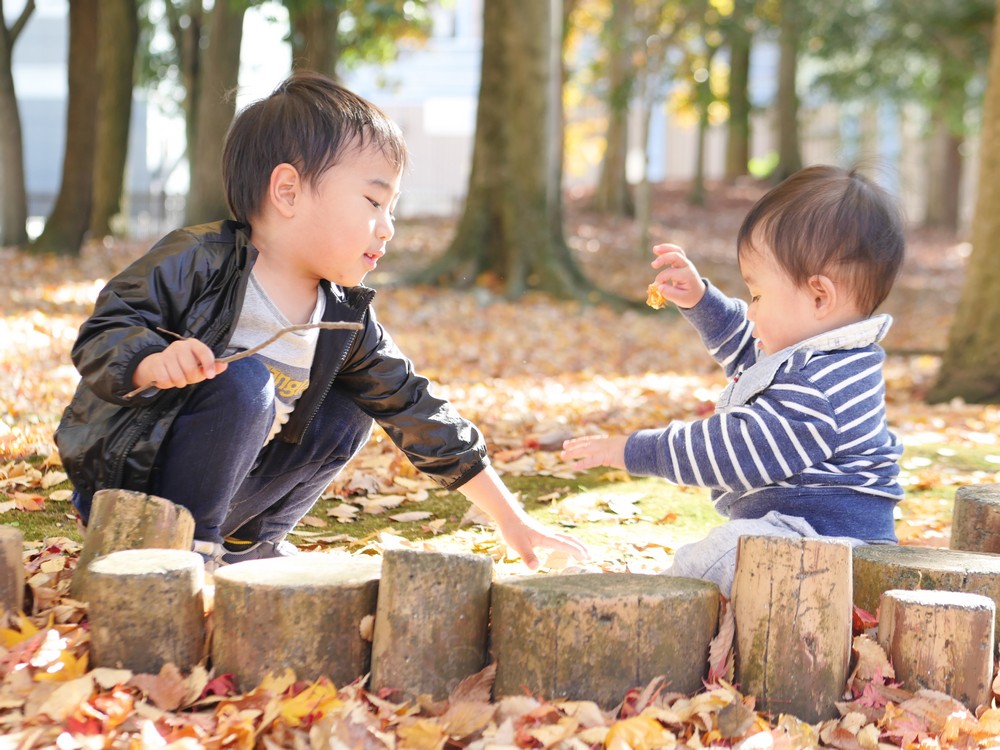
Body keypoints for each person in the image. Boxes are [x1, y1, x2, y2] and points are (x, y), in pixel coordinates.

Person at [56, 71, 587, 570]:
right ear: (287, 191)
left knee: (353, 401)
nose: (387, 229)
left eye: (392, 209)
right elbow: (104, 334)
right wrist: (151, 361)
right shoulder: (198, 259)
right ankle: (189, 557)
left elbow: (415, 408)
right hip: (137, 487)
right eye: (373, 201)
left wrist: (512, 522)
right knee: (244, 380)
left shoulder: (341, 317)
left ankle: (250, 543)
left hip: (230, 494)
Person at [561, 165, 905, 596]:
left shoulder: (821, 388)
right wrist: (702, 301)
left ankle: (648, 618)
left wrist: (633, 450)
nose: (752, 309)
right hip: (800, 531)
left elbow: (731, 449)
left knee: (710, 562)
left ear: (820, 296)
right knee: (725, 554)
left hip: (825, 546)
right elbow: (750, 356)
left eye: (758, 294)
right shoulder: (816, 354)